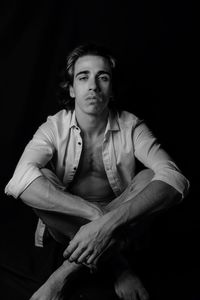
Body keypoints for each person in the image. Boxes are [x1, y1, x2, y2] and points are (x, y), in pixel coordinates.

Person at [5, 43, 189, 300]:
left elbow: (176, 179)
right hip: (67, 221)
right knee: (39, 178)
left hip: (123, 221)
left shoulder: (131, 125)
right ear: (71, 88)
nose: (93, 85)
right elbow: (19, 180)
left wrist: (109, 222)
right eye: (83, 77)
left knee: (149, 177)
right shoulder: (53, 127)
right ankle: (119, 266)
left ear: (112, 89)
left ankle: (62, 275)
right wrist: (97, 218)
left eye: (103, 77)